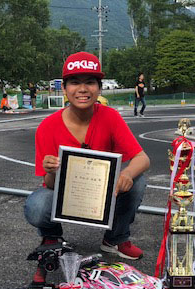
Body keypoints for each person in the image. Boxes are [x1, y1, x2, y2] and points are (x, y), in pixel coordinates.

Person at [24, 51, 150, 272]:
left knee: (137, 181)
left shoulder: (110, 117)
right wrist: (51, 170)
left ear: (99, 88)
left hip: (102, 192)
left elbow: (142, 158)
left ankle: (116, 238)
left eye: (90, 82)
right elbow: (50, 184)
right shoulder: (47, 126)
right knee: (37, 205)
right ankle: (52, 237)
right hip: (65, 195)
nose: (82, 89)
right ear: (64, 89)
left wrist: (127, 174)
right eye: (74, 82)